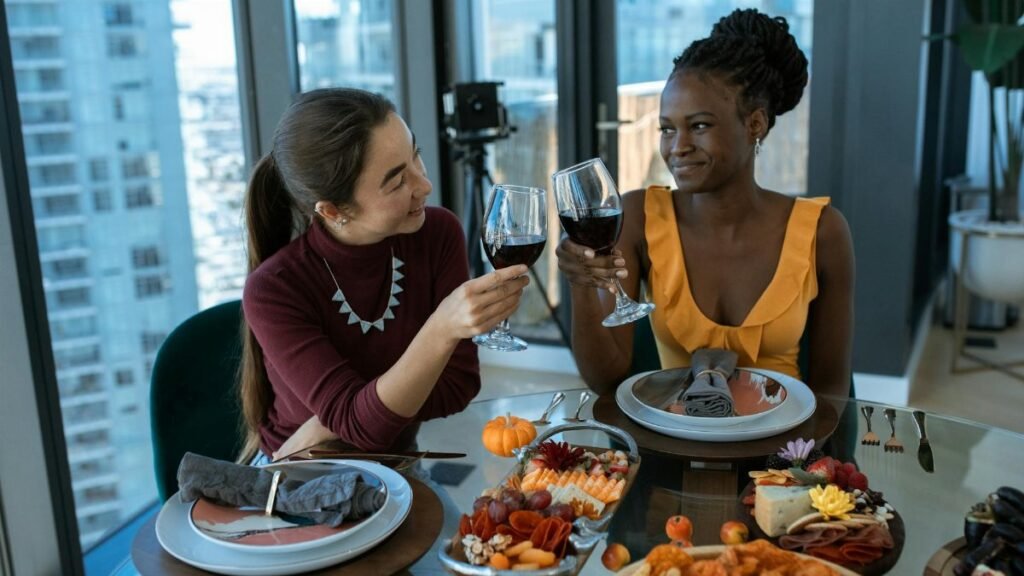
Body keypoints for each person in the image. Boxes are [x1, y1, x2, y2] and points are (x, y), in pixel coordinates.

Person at [556, 8, 854, 399]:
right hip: (673, 442)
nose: (677, 148)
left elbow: (832, 390)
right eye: (667, 129)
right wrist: (583, 285)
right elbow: (606, 380)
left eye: (699, 125)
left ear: (755, 124)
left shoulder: (823, 230)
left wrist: (799, 461)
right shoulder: (638, 219)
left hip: (786, 449)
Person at [239, 88, 530, 463]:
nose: (424, 186)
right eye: (396, 182)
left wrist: (330, 422)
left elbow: (458, 387)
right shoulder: (274, 289)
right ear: (332, 210)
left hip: (393, 459)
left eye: (416, 157)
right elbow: (364, 427)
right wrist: (441, 329)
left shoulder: (437, 234)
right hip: (302, 471)